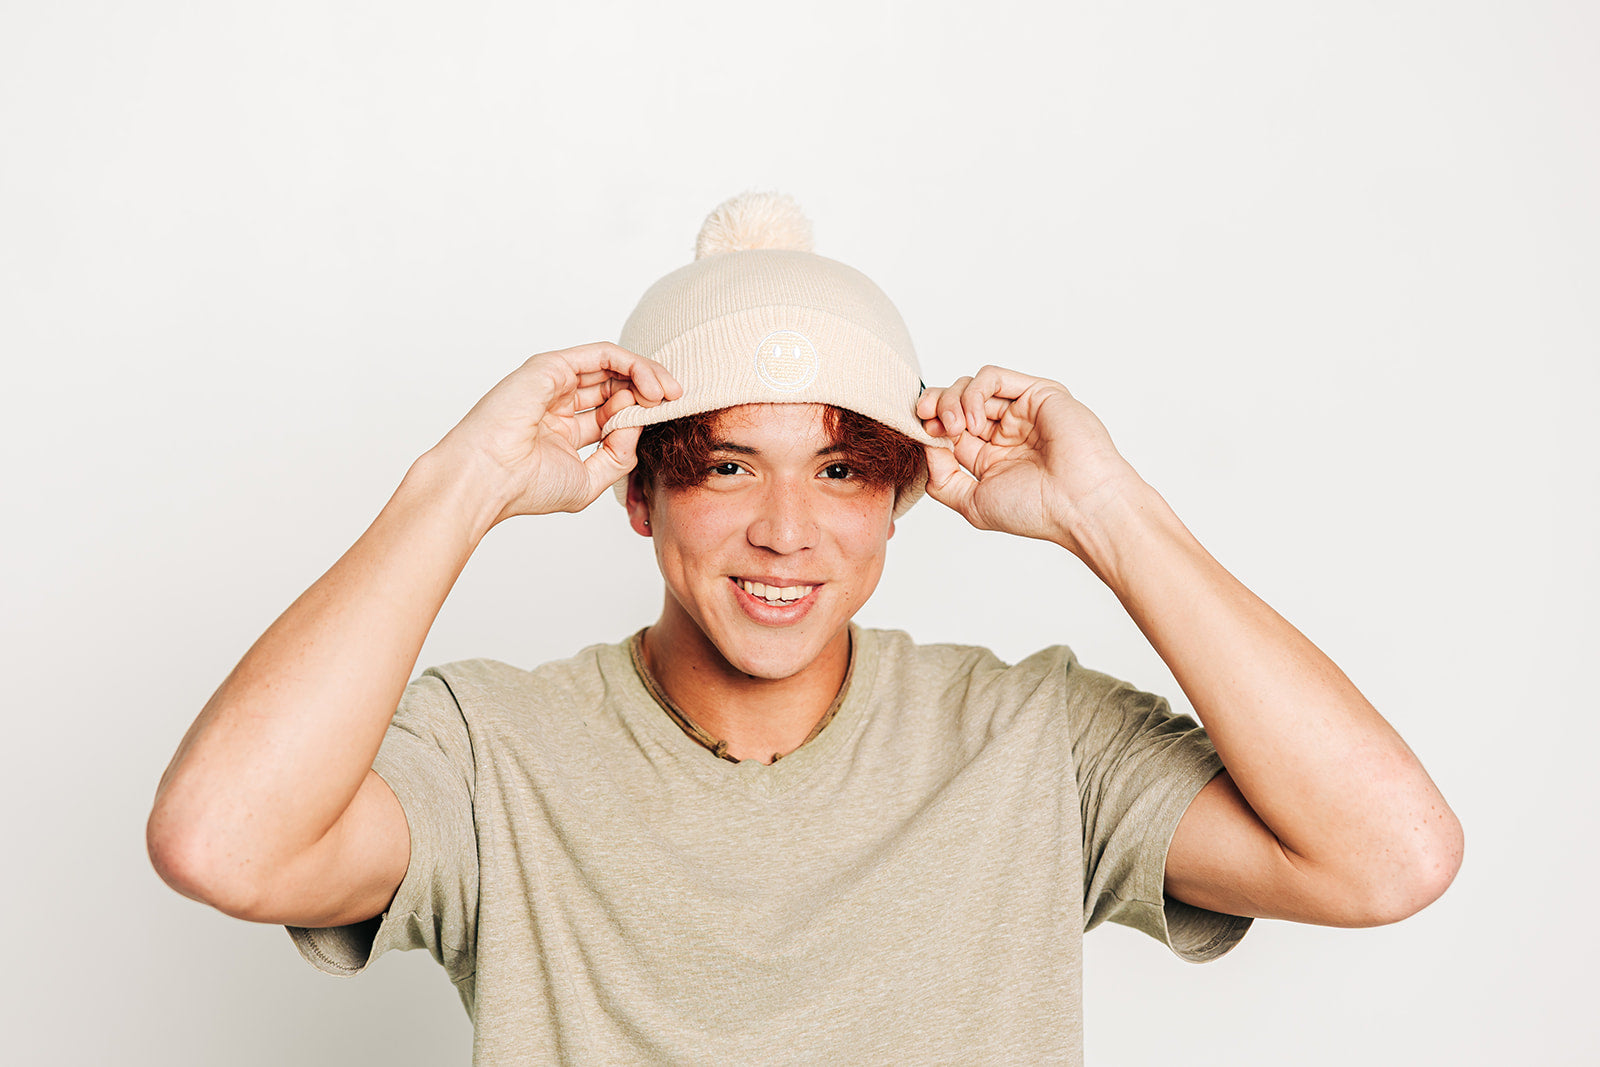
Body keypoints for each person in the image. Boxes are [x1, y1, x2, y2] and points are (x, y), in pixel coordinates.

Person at [147, 192, 1462, 1064]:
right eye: (727, 468)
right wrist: (461, 486)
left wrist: (1110, 512)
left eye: (839, 471)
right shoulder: (496, 752)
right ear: (639, 497)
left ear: (901, 498)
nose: (787, 530)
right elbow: (222, 843)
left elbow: (1390, 858)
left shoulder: (1027, 739)